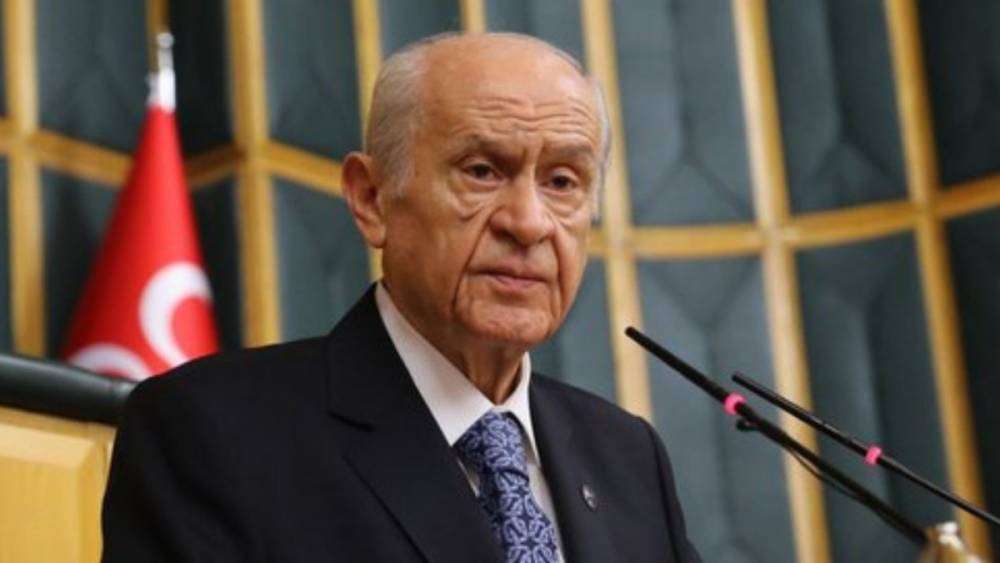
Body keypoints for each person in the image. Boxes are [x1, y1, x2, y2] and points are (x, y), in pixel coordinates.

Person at [102, 32, 701, 563]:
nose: (528, 221)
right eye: (482, 171)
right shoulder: (214, 431)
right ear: (371, 198)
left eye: (563, 182)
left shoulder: (627, 457)